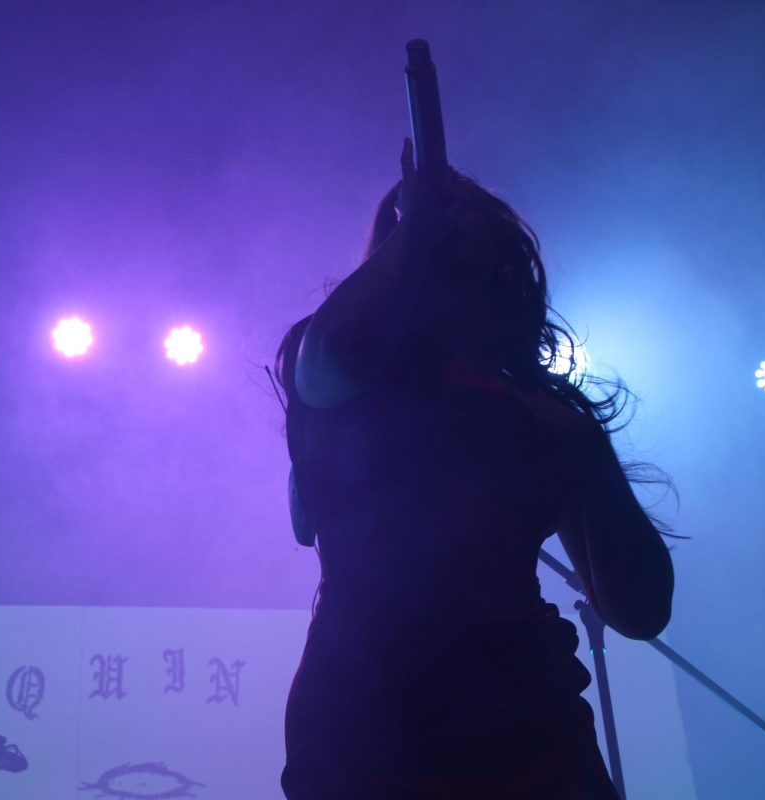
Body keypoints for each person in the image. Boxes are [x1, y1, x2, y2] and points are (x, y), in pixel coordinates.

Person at [273, 138, 679, 799]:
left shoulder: (540, 417)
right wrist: (422, 226)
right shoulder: (346, 380)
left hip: (520, 730)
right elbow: (335, 354)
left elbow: (639, 608)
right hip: (369, 738)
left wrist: (585, 450)